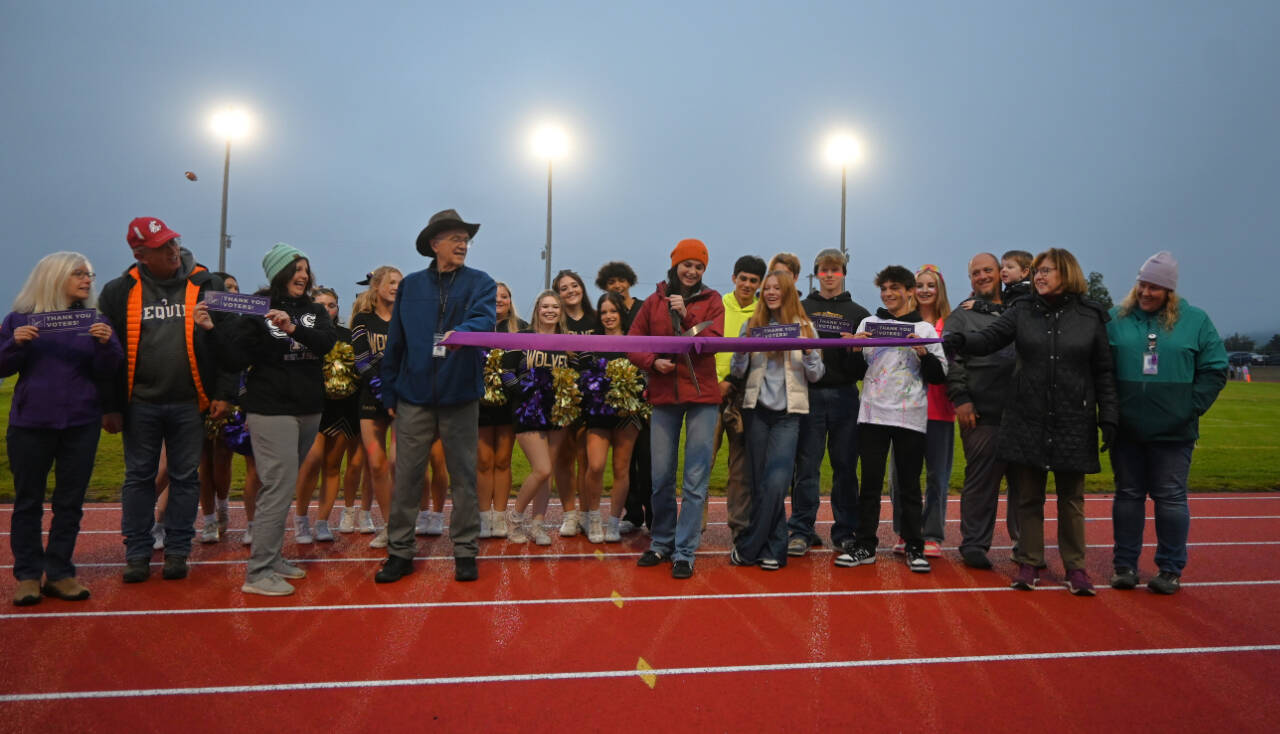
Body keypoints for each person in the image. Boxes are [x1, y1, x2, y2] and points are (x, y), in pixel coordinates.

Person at [945, 248, 1118, 595]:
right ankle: (1029, 562)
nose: (1038, 276)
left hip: (1073, 417)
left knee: (1071, 498)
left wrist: (1109, 417)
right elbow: (990, 338)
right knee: (1029, 495)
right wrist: (962, 339)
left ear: (1067, 273)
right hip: (1027, 414)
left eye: (1046, 271)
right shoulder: (1023, 310)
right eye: (1036, 271)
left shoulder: (1090, 316)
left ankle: (1076, 568)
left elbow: (1103, 371)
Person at [99, 217, 235, 584]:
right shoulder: (116, 292)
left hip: (190, 402)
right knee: (139, 477)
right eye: (163, 247)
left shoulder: (208, 285)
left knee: (185, 477)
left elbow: (227, 345)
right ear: (140, 254)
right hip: (139, 402)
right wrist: (110, 405)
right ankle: (138, 552)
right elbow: (107, 355)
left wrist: (223, 393)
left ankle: (177, 551)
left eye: (174, 242)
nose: (173, 250)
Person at [374, 209, 496, 584]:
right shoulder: (410, 285)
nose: (462, 244)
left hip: (460, 396)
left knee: (464, 478)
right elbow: (396, 340)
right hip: (413, 397)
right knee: (407, 477)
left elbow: (484, 320)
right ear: (434, 244)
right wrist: (390, 388)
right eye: (454, 238)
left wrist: (456, 334)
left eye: (466, 239)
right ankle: (400, 552)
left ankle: (464, 551)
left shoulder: (481, 282)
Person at [3, 252, 122, 605]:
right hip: (30, 423)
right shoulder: (19, 319)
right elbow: (2, 366)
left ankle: (60, 572)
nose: (87, 280)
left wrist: (105, 344)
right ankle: (27, 575)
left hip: (80, 422)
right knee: (28, 503)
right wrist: (15, 343)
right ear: (54, 277)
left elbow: (110, 369)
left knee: (70, 502)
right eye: (78, 274)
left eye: (89, 274)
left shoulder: (95, 321)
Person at [1107, 251, 1227, 594]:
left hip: (1174, 432)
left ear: (1170, 292)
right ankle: (1124, 566)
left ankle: (1170, 569)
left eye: (1155, 287)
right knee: (1128, 496)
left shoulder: (1196, 320)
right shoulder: (1117, 318)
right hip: (1127, 429)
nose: (1146, 292)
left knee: (1171, 498)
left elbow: (1216, 368)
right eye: (1142, 284)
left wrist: (1189, 408)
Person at [224, 244, 336, 596]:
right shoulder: (257, 309)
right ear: (279, 274)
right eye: (295, 269)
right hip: (271, 407)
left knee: (284, 485)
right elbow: (235, 356)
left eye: (305, 268)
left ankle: (272, 559)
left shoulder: (315, 310)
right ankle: (258, 573)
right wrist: (213, 329)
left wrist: (292, 329)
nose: (303, 275)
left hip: (309, 407)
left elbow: (325, 345)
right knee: (277, 486)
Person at [838, 266, 947, 574]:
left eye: (895, 288)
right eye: (884, 288)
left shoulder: (925, 330)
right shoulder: (869, 323)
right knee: (870, 484)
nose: (888, 294)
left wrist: (924, 354)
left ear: (910, 291)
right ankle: (866, 545)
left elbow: (939, 377)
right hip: (873, 413)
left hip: (910, 415)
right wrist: (854, 351)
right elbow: (856, 371)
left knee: (909, 485)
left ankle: (914, 545)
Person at [627, 239, 725, 579]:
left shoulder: (712, 300)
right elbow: (632, 342)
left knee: (696, 479)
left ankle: (685, 551)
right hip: (664, 397)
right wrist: (654, 364)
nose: (692, 270)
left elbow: (710, 340)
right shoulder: (653, 301)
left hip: (702, 399)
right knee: (660, 477)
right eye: (687, 264)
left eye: (699, 266)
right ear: (675, 265)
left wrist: (687, 312)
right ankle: (661, 542)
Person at [728, 270, 823, 570]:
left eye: (775, 288)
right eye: (766, 288)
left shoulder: (805, 327)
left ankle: (750, 546)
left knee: (776, 483)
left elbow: (816, 374)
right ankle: (774, 549)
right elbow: (738, 370)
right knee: (759, 483)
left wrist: (808, 352)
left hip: (788, 415)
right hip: (756, 412)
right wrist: (742, 352)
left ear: (787, 291)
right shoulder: (751, 325)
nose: (769, 292)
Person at [789, 248, 869, 558]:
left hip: (846, 395)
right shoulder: (801, 308)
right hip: (809, 394)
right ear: (817, 273)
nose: (830, 275)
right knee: (806, 467)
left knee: (845, 467)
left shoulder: (859, 313)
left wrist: (854, 355)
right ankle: (801, 530)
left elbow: (864, 367)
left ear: (844, 273)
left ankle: (845, 531)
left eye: (836, 269)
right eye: (824, 270)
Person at [945, 253, 1021, 569]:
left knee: (1026, 484)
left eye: (987, 270)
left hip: (1022, 410)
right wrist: (961, 397)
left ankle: (1026, 544)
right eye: (975, 273)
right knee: (980, 482)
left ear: (1000, 273)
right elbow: (950, 358)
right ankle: (974, 544)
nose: (982, 276)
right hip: (980, 410)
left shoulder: (1021, 309)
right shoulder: (961, 315)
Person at [888, 265, 955, 557]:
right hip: (903, 409)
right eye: (920, 285)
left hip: (939, 408)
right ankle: (906, 530)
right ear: (912, 290)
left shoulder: (951, 323)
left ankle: (931, 534)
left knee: (937, 476)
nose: (925, 290)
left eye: (932, 285)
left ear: (939, 290)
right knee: (899, 476)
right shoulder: (901, 321)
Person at [503, 291, 579, 545]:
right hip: (528, 411)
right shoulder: (522, 337)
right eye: (545, 306)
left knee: (547, 473)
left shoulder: (568, 342)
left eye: (555, 307)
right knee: (542, 468)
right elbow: (505, 371)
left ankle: (537, 525)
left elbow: (579, 373)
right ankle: (514, 518)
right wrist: (523, 391)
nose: (550, 310)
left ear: (561, 311)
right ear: (537, 309)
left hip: (558, 412)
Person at [293, 286, 360, 543]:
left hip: (344, 408)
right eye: (320, 305)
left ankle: (322, 522)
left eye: (331, 305)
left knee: (333, 466)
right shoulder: (300, 334)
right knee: (311, 462)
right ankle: (300, 520)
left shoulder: (349, 335)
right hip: (313, 406)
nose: (327, 310)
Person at [582, 291, 645, 542]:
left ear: (622, 314)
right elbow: (582, 376)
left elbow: (642, 377)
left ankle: (613, 522)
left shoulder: (634, 340)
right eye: (604, 312)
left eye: (613, 311)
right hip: (597, 414)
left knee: (622, 469)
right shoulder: (591, 341)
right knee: (595, 466)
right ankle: (594, 518)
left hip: (627, 414)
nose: (608, 316)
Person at [713, 255, 765, 543]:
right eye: (742, 278)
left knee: (740, 466)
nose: (746, 284)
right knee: (701, 462)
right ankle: (696, 527)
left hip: (744, 397)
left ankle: (739, 527)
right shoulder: (716, 305)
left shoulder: (763, 312)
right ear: (734, 278)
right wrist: (718, 383)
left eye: (753, 280)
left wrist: (733, 382)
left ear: (759, 284)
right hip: (710, 393)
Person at [597, 261, 650, 534]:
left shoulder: (643, 308)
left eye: (621, 281)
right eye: (611, 282)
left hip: (640, 401)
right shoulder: (602, 325)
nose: (617, 286)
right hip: (608, 408)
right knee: (621, 464)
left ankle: (653, 516)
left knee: (647, 459)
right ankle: (631, 515)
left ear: (629, 281)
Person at [351, 266, 401, 548]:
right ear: (377, 286)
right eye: (391, 282)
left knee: (397, 462)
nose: (396, 287)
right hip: (372, 399)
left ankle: (404, 520)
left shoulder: (406, 320)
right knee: (377, 465)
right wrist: (383, 392)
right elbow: (362, 360)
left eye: (399, 283)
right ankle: (389, 526)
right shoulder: (363, 319)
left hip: (401, 402)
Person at [476, 281, 526, 539]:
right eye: (493, 296)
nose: (499, 301)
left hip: (510, 403)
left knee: (503, 460)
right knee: (483, 462)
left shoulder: (522, 328)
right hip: (480, 404)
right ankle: (484, 517)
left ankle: (500, 516)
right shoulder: (474, 324)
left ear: (510, 300)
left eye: (504, 296)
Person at [552, 269, 597, 537]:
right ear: (557, 294)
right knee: (564, 457)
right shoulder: (555, 321)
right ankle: (569, 514)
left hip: (591, 395)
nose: (570, 291)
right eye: (564, 288)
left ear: (582, 287)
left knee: (587, 458)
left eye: (574, 285)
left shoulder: (595, 318)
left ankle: (586, 513)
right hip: (561, 394)